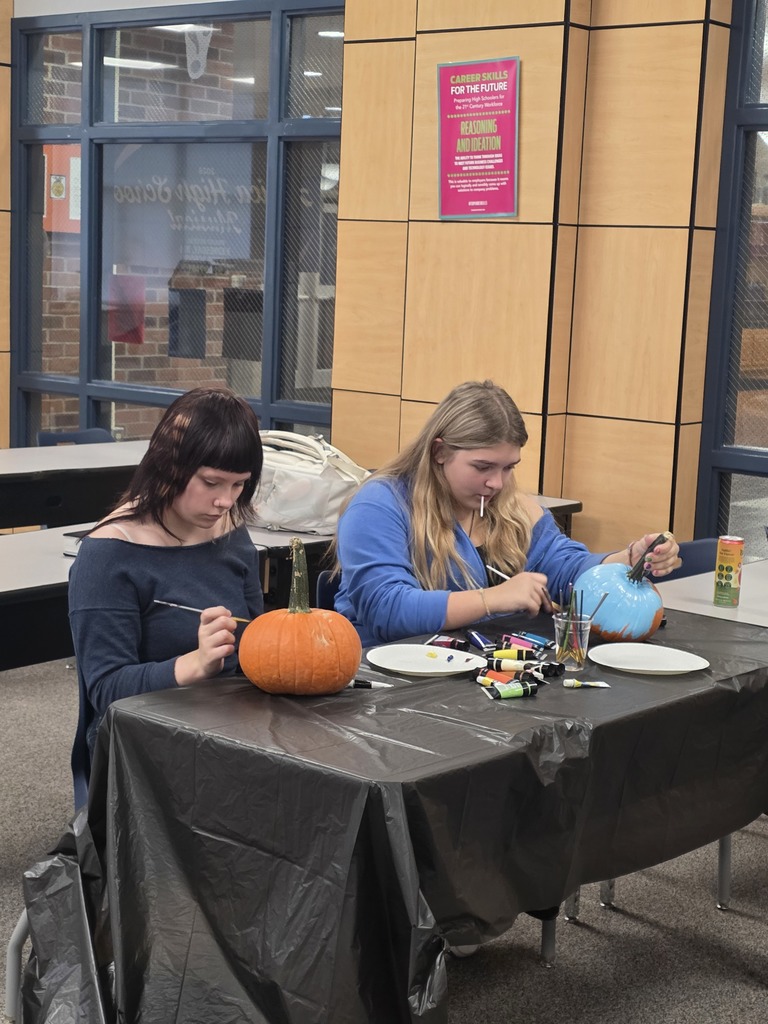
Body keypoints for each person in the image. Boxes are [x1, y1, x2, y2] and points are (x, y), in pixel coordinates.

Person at [335, 380, 681, 647]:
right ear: (439, 451)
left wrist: (626, 559)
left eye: (508, 468)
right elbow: (387, 610)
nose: (496, 483)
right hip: (386, 686)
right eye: (482, 466)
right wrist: (491, 599)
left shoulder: (516, 510)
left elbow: (567, 571)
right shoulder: (380, 505)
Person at [68, 386, 264, 755]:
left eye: (239, 484)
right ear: (170, 466)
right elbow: (107, 690)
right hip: (146, 746)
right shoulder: (109, 554)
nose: (225, 501)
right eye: (211, 482)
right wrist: (196, 664)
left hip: (230, 724)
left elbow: (254, 641)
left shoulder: (231, 532)